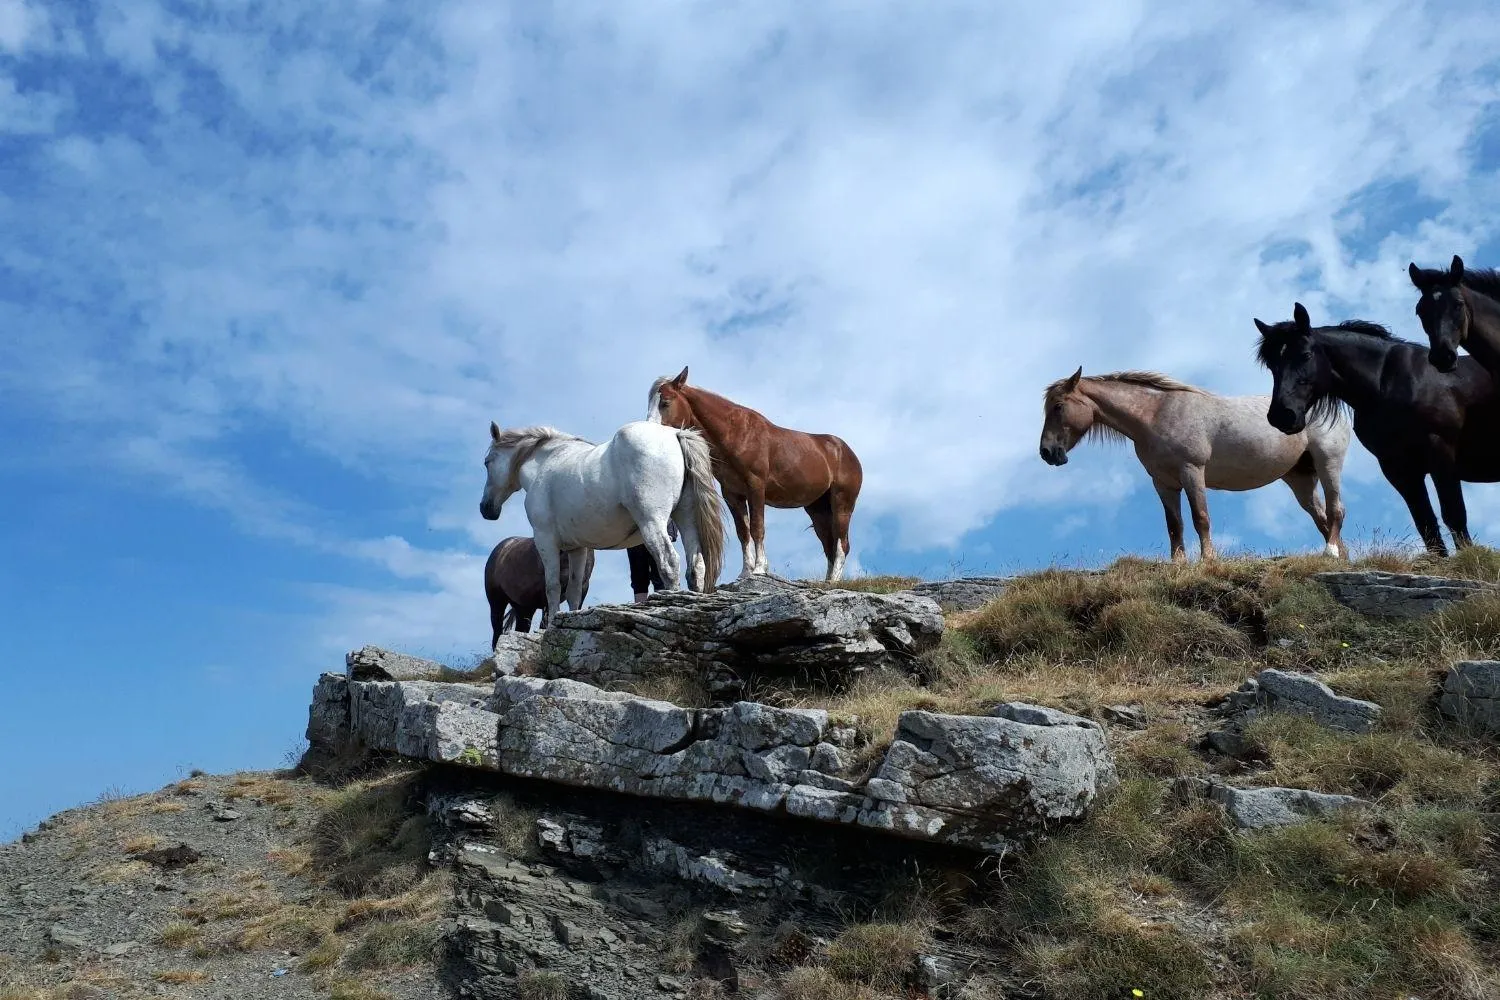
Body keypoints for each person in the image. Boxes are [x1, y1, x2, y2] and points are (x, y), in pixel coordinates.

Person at [627, 521, 677, 604]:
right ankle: (640, 607)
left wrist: (670, 533)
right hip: (635, 533)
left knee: (660, 573)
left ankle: (661, 604)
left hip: (656, 531)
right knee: (639, 574)